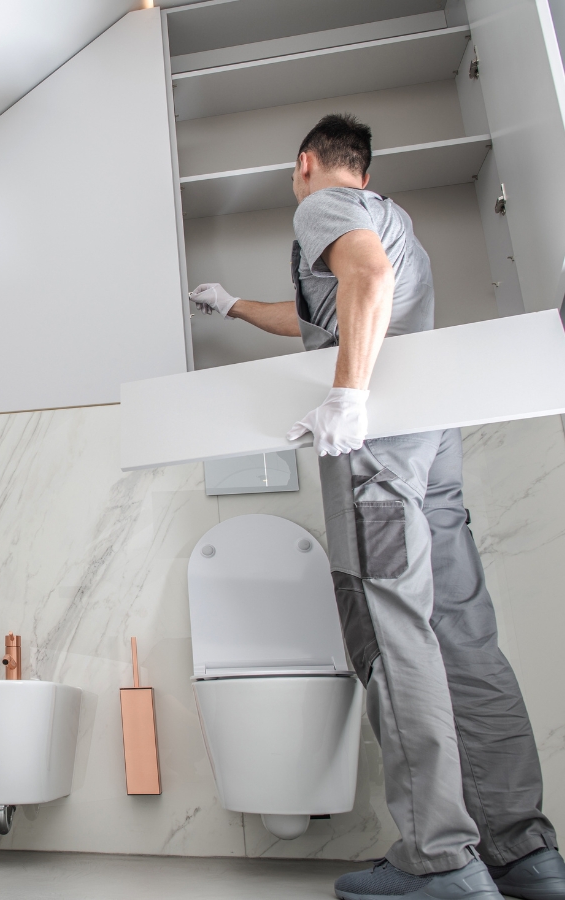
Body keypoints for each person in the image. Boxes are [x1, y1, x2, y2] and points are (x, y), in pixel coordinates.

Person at [189, 114, 565, 900]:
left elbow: (362, 279)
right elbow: (321, 311)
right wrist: (231, 306)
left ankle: (440, 859)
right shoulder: (398, 223)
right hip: (434, 442)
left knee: (389, 630)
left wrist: (348, 396)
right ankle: (522, 852)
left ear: (307, 163)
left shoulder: (322, 206)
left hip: (379, 446)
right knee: (463, 633)